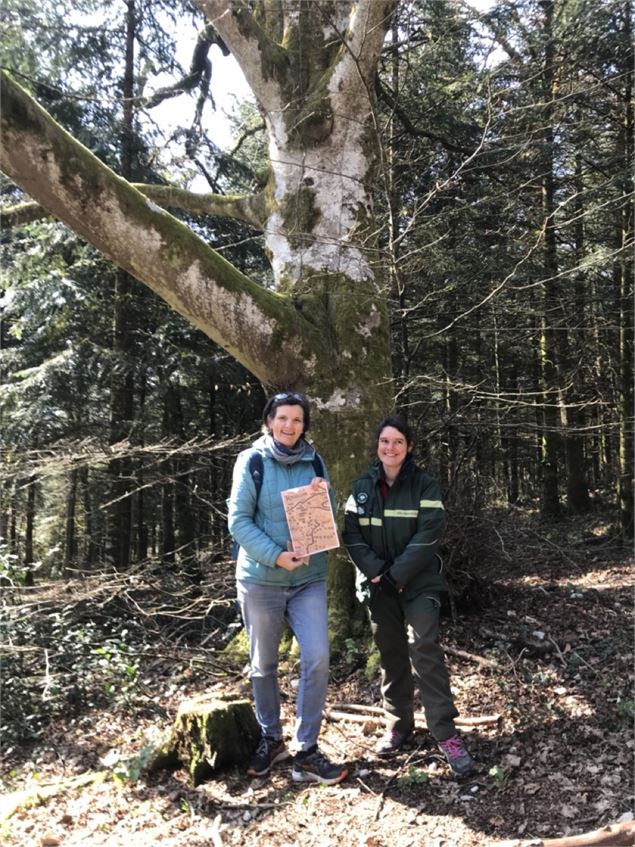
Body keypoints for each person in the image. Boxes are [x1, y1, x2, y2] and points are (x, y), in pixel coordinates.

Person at [343, 416, 475, 778]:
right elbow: (351, 535)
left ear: (409, 447)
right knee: (391, 653)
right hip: (377, 584)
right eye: (385, 441)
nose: (390, 447)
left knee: (424, 646)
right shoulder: (362, 488)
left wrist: (397, 575)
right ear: (377, 446)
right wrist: (377, 574)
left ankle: (446, 734)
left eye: (398, 441)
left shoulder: (425, 485)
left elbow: (429, 535)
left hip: (418, 583)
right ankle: (399, 725)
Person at [227, 391, 348, 786]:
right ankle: (270, 737)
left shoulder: (314, 459)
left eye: (297, 420)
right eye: (283, 418)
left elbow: (320, 522)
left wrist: (322, 495)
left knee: (316, 656)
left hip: (307, 580)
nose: (290, 426)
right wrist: (276, 555)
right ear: (269, 421)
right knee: (263, 664)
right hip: (261, 580)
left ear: (304, 425)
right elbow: (239, 522)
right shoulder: (253, 461)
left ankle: (306, 750)